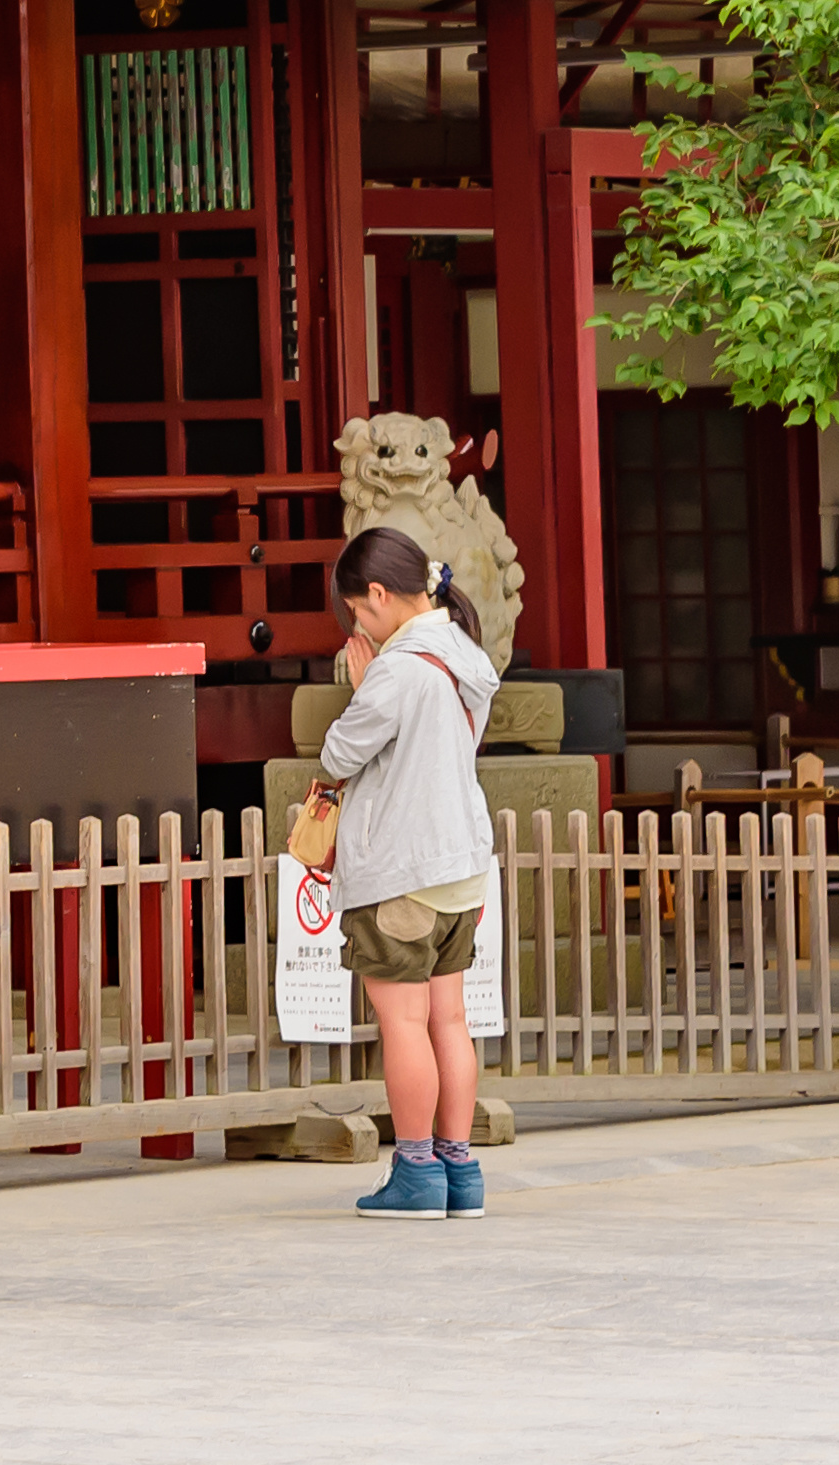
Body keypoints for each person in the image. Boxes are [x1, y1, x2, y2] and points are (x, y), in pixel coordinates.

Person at [312, 521, 501, 1218]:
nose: (358, 623)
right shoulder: (466, 655)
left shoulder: (395, 667)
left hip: (401, 866)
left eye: (358, 610)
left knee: (403, 1022)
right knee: (450, 1020)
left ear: (380, 594)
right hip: (460, 864)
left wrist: (365, 684)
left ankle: (416, 1172)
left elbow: (340, 753)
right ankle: (461, 1171)